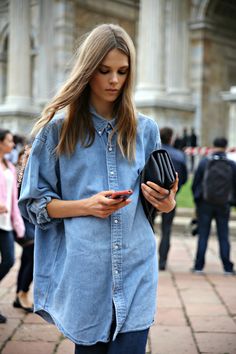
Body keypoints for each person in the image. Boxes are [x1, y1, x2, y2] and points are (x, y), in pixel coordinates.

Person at [19, 24, 178, 354]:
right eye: (104, 71)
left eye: (123, 71)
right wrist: (86, 206)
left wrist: (166, 202)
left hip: (137, 267)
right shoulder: (57, 131)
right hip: (86, 275)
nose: (114, 81)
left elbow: (161, 204)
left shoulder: (146, 130)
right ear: (88, 70)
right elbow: (34, 204)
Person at [192, 137, 236, 275]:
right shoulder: (231, 164)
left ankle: (199, 266)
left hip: (205, 203)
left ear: (213, 145)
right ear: (226, 146)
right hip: (223, 204)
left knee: (203, 235)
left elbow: (196, 184)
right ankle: (227, 268)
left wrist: (198, 201)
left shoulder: (205, 162)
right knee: (223, 236)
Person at [0, 129, 25, 323]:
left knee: (8, 260)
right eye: (9, 141)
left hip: (6, 223)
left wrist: (19, 224)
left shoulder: (9, 166)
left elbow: (13, 199)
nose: (12, 144)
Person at [158, 127, 188, 270]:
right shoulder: (179, 155)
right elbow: (185, 178)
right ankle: (162, 262)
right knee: (166, 230)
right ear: (171, 138)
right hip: (170, 196)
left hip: (149, 196)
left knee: (146, 228)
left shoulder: (151, 152)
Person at [13, 146, 34, 313]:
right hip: (18, 221)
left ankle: (20, 295)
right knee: (32, 253)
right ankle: (22, 294)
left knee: (28, 258)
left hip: (29, 221)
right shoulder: (18, 172)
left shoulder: (32, 171)